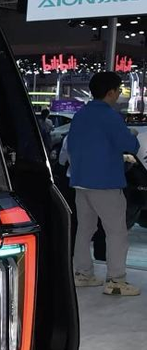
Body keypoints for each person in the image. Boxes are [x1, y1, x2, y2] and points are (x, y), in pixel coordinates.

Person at [69, 71, 140, 295]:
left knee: (85, 229)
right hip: (106, 183)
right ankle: (116, 281)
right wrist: (133, 134)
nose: (119, 94)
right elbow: (129, 145)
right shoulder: (110, 116)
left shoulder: (80, 115)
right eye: (119, 90)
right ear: (110, 92)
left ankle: (82, 274)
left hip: (81, 182)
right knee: (116, 232)